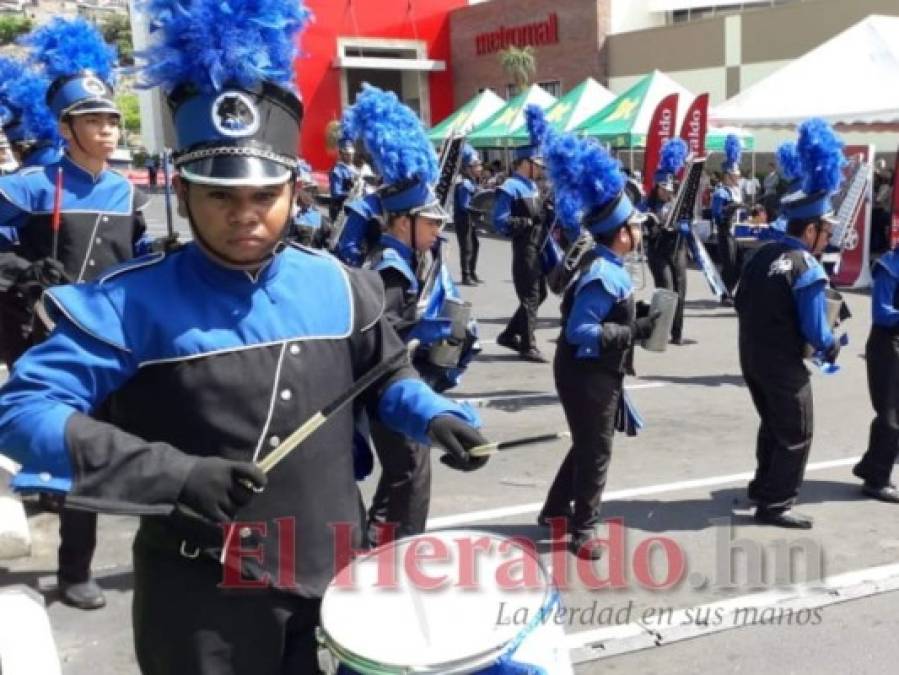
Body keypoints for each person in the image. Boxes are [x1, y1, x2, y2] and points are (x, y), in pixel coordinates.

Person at [0, 2, 489, 672]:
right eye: (219, 197)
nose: (244, 216)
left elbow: (389, 377)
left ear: (294, 188)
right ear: (181, 188)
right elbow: (22, 413)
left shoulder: (343, 285)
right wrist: (172, 474)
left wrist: (436, 414)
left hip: (333, 577)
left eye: (263, 195)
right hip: (200, 602)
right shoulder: (128, 300)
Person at [0, 17, 152, 611]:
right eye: (96, 120)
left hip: (118, 338)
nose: (109, 130)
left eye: (113, 119)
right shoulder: (33, 185)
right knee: (76, 453)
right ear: (67, 129)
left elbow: (137, 258)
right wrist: (20, 272)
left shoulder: (128, 193)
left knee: (133, 443)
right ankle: (74, 569)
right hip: (55, 337)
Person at [537, 122, 657, 558]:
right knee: (596, 452)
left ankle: (553, 512)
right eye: (635, 226)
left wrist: (636, 318)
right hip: (587, 374)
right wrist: (634, 330)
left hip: (588, 371)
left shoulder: (603, 262)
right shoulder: (605, 271)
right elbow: (580, 330)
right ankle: (583, 530)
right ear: (621, 233)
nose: (639, 232)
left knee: (587, 445)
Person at [735, 118, 844, 530]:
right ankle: (776, 503)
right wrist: (831, 344)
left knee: (772, 423)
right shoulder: (807, 267)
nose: (827, 238)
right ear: (811, 228)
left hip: (751, 354)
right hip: (782, 362)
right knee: (796, 430)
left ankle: (762, 486)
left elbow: (741, 300)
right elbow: (817, 332)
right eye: (825, 230)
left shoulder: (763, 252)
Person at [493, 105, 551, 363]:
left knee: (541, 293)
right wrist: (526, 222)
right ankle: (528, 344)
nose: (540, 169)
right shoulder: (511, 186)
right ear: (525, 163)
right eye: (536, 164)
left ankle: (509, 334)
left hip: (539, 246)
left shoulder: (533, 186)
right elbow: (499, 220)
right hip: (524, 246)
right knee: (530, 295)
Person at [852, 246, 899, 503]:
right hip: (887, 344)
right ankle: (876, 481)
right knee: (891, 416)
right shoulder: (889, 266)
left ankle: (870, 465)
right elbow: (881, 313)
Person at [644, 138, 689, 345]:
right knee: (666, 288)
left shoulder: (677, 203)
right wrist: (651, 224)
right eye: (663, 188)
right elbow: (639, 222)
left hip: (677, 248)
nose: (667, 192)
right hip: (658, 250)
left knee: (680, 289)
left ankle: (677, 333)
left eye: (670, 188)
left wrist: (684, 225)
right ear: (656, 187)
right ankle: (657, 329)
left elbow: (689, 221)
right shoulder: (647, 204)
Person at [711, 134, 745, 301]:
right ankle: (725, 293)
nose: (738, 178)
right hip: (726, 232)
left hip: (737, 232)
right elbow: (717, 213)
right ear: (727, 175)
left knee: (739, 263)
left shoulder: (736, 191)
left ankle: (730, 290)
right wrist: (728, 210)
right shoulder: (721, 192)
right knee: (729, 264)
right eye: (735, 175)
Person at [454, 143, 483, 285]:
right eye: (476, 165)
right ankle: (466, 276)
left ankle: (472, 272)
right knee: (467, 248)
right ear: (467, 168)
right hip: (463, 219)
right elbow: (464, 205)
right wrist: (480, 211)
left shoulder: (472, 181)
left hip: (470, 219)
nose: (480, 168)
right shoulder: (465, 184)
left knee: (475, 245)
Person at [288, 159, 327, 248]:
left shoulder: (319, 218)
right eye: (308, 190)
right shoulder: (282, 215)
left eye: (313, 191)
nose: (311, 194)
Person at [328, 138, 358, 221]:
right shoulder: (337, 170)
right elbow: (336, 193)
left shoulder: (355, 169)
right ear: (341, 154)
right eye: (347, 154)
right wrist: (351, 194)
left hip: (352, 208)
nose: (350, 156)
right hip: (340, 209)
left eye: (351, 154)